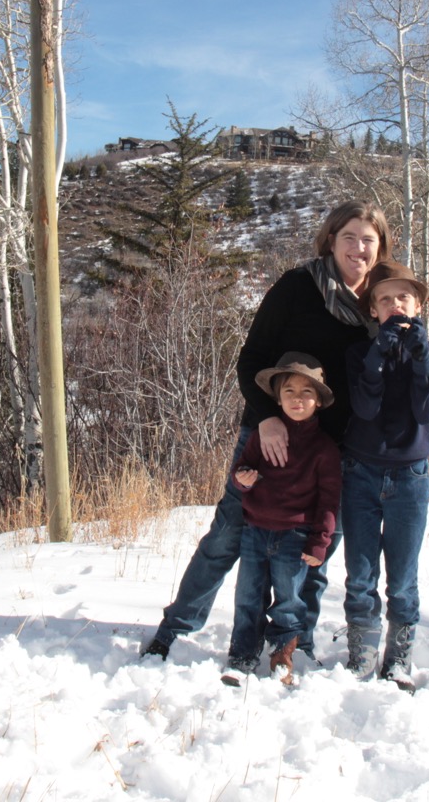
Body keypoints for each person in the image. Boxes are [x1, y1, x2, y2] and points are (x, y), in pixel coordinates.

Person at [142, 200, 392, 662]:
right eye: (349, 237)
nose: (358, 248)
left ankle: (294, 643)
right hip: (270, 440)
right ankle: (174, 630)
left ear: (380, 247)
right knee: (227, 538)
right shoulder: (298, 286)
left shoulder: (381, 303)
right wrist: (266, 418)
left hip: (334, 451)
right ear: (331, 240)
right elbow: (251, 359)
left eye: (368, 240)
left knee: (314, 552)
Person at [340, 259, 429, 691]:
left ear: (419, 305)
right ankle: (362, 654)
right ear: (373, 309)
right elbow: (364, 409)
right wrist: (377, 357)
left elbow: (426, 411)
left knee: (402, 578)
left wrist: (418, 358)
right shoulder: (357, 353)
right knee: (360, 574)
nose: (395, 305)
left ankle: (399, 658)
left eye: (403, 297)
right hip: (360, 473)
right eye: (384, 299)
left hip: (410, 477)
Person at [221, 353, 342, 686]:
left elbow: (329, 500)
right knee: (248, 596)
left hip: (295, 535)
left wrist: (320, 541)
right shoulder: (262, 436)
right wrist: (242, 479)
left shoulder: (324, 448)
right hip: (256, 530)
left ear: (319, 400)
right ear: (277, 398)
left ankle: (282, 656)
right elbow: (241, 470)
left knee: (289, 600)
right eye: (289, 391)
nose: (297, 399)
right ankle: (242, 656)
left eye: (306, 392)